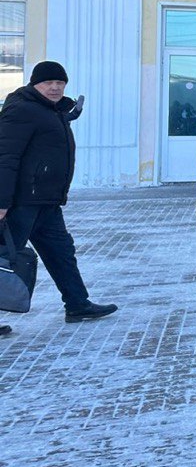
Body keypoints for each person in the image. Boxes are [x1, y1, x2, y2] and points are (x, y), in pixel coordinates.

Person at [0, 61, 115, 327]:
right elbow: (6, 157)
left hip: (46, 202)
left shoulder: (50, 111)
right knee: (5, 257)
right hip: (21, 202)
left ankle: (77, 304)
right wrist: (2, 201)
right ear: (34, 84)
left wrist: (68, 113)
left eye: (60, 83)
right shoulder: (21, 110)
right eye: (48, 83)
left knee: (61, 252)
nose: (55, 87)